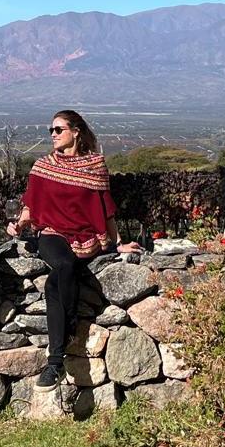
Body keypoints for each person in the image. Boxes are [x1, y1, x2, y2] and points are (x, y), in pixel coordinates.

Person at [9, 109, 141, 389]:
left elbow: (106, 210)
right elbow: (31, 204)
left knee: (55, 285)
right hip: (52, 234)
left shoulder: (95, 166)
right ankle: (62, 345)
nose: (53, 135)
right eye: (51, 131)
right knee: (65, 266)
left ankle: (55, 362)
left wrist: (117, 244)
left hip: (88, 238)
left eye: (59, 129)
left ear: (76, 132)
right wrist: (20, 225)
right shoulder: (43, 166)